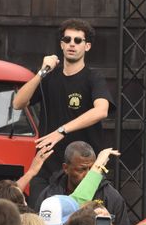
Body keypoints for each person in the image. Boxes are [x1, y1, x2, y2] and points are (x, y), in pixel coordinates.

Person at [12, 18, 113, 208]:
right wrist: (42, 71)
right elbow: (18, 103)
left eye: (77, 40)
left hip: (81, 169)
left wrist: (61, 131)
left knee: (81, 220)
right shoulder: (49, 77)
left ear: (87, 46)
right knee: (40, 218)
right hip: (47, 168)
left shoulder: (93, 77)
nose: (72, 44)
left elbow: (101, 110)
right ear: (61, 44)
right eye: (67, 40)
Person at [34, 141, 130, 225]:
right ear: (66, 168)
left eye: (91, 168)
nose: (88, 174)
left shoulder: (111, 197)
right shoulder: (49, 196)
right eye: (82, 169)